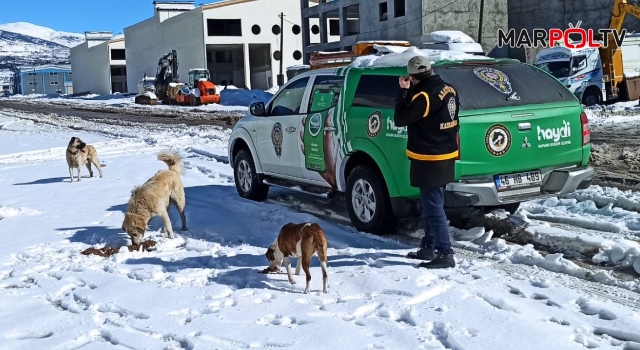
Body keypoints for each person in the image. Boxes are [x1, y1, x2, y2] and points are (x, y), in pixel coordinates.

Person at [393, 55, 460, 269]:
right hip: (446, 153)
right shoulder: (449, 88)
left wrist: (403, 91)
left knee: (432, 208)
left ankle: (445, 253)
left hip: (429, 157)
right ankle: (428, 247)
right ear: (430, 70)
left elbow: (401, 118)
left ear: (412, 77)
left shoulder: (423, 96)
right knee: (430, 204)